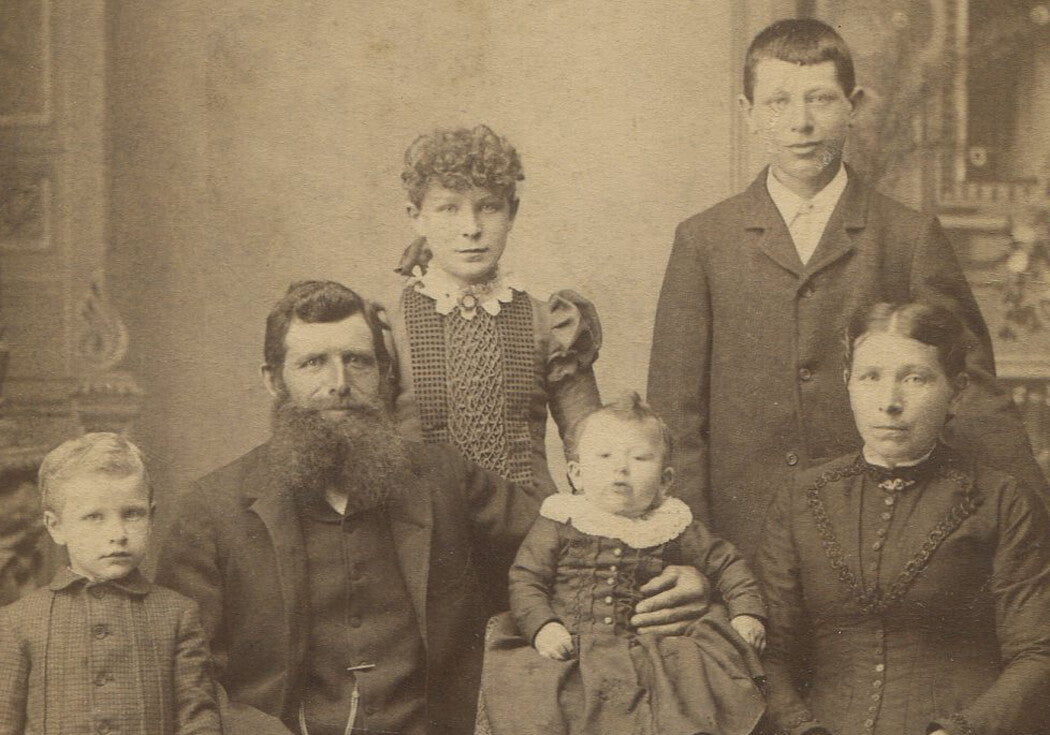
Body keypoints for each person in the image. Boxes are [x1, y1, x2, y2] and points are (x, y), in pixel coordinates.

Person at [155, 280, 712, 735]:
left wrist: (686, 574)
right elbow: (187, 674)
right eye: (313, 363)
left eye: (358, 361)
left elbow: (577, 539)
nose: (339, 383)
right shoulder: (212, 510)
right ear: (273, 380)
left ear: (383, 374)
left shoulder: (444, 478)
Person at [647, 18, 1045, 556]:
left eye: (821, 99)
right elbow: (676, 413)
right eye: (778, 102)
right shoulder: (704, 241)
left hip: (881, 535)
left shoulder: (907, 237)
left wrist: (1031, 526)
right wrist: (695, 552)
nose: (801, 123)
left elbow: (970, 391)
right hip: (743, 544)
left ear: (853, 105)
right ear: (749, 113)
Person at [756, 301, 1050, 735]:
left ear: (956, 390)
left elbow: (1036, 653)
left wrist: (960, 730)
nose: (890, 403)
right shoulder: (801, 496)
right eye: (870, 377)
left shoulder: (1001, 500)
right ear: (847, 382)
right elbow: (771, 651)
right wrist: (800, 728)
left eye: (915, 378)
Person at [482, 393, 767, 735]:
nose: (621, 468)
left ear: (665, 481)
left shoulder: (673, 523)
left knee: (681, 704)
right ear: (576, 474)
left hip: (651, 652)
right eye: (604, 455)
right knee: (547, 704)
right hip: (574, 647)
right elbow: (526, 579)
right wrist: (544, 626)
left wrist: (747, 612)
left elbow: (727, 563)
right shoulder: (560, 520)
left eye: (639, 457)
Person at [390, 124, 602, 498]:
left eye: (488, 207)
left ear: (512, 212)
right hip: (427, 528)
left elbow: (592, 445)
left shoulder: (551, 323)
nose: (471, 228)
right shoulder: (390, 327)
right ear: (416, 216)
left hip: (530, 527)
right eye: (449, 208)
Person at [0, 433, 221, 735]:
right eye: (94, 517)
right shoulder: (17, 621)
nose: (118, 533)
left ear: (151, 516)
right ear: (56, 526)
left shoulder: (178, 614)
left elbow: (198, 719)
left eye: (132, 514)